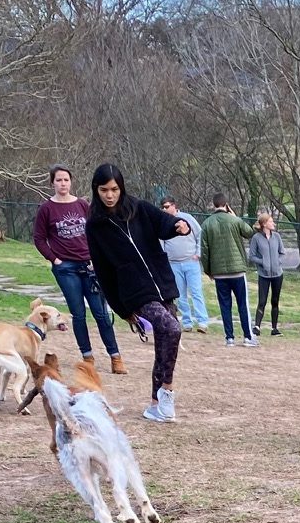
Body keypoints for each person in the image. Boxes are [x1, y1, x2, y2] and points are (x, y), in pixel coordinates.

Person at [85, 163, 192, 422]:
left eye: (114, 189)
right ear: (96, 190)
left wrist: (178, 224)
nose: (109, 195)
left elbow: (163, 222)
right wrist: (122, 311)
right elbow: (104, 273)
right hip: (135, 293)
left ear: (121, 188)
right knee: (172, 328)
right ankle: (167, 392)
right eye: (104, 190)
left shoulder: (139, 208)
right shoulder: (95, 227)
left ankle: (156, 404)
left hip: (163, 284)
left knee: (165, 342)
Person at [33, 166, 126, 376]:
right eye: (59, 180)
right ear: (53, 183)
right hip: (66, 268)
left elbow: (95, 231)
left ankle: (115, 356)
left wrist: (96, 258)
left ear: (71, 182)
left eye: (66, 180)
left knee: (101, 313)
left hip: (89, 266)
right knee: (79, 314)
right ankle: (87, 356)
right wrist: (54, 259)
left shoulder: (82, 204)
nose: (63, 183)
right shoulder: (46, 208)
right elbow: (39, 238)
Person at [200, 191, 255, 346]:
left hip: (219, 273)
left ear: (214, 204)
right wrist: (235, 215)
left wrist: (208, 270)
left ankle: (229, 337)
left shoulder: (207, 224)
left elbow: (204, 250)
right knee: (243, 304)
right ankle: (247, 337)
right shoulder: (234, 220)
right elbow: (249, 232)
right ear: (226, 204)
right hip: (237, 271)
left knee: (225, 306)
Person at [161, 197, 211, 335]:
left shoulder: (187, 218)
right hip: (174, 264)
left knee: (196, 292)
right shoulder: (163, 222)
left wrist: (198, 252)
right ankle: (187, 322)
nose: (164, 209)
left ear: (174, 205)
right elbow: (161, 242)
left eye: (167, 206)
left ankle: (202, 322)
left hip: (191, 262)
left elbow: (200, 234)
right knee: (180, 295)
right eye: (163, 207)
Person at [248, 210, 286, 336]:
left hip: (277, 275)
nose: (273, 223)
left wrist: (277, 262)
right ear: (264, 224)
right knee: (262, 301)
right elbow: (252, 256)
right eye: (270, 221)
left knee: (275, 301)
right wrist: (263, 262)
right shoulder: (256, 238)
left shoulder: (277, 237)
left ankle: (274, 328)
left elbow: (282, 253)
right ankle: (257, 327)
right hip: (263, 275)